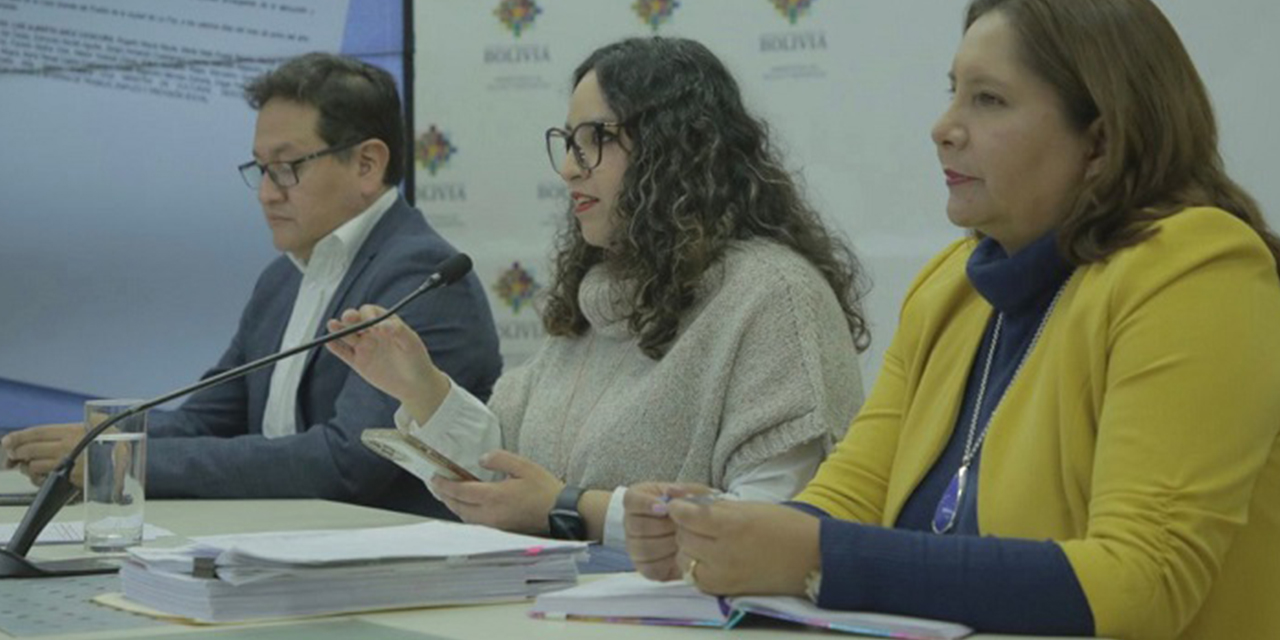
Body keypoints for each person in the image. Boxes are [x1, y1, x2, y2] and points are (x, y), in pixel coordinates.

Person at [624, 1, 1280, 638]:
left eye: (988, 100)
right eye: (953, 93)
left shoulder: (1197, 269)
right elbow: (850, 499)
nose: (944, 126)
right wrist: (726, 534)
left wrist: (817, 554)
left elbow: (1142, 582)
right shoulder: (950, 287)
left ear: (1101, 140)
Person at [326, 37, 868, 547]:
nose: (567, 169)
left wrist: (570, 507)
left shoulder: (774, 295)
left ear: (675, 147)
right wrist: (421, 388)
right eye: (567, 142)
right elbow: (507, 474)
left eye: (594, 141)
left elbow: (774, 525)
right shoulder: (601, 299)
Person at [1, 53, 502, 517]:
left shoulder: (420, 277)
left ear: (367, 164)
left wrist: (129, 463)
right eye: (260, 169)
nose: (265, 194)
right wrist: (103, 440)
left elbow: (345, 461)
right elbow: (208, 418)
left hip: (392, 567)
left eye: (285, 169)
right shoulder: (283, 278)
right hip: (277, 544)